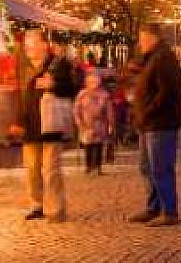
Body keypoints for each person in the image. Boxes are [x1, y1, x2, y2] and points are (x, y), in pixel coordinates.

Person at [17, 29, 78, 223]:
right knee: (32, 169)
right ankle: (37, 205)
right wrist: (18, 121)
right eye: (26, 43)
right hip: (31, 125)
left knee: (51, 170)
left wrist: (54, 86)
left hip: (50, 124)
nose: (28, 47)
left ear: (44, 44)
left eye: (32, 42)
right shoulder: (24, 66)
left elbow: (72, 88)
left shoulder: (58, 64)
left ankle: (56, 209)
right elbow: (21, 95)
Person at [128, 23, 181, 226]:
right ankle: (154, 207)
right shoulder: (152, 58)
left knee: (161, 168)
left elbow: (168, 91)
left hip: (161, 123)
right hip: (148, 123)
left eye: (142, 39)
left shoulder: (164, 58)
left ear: (152, 37)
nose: (139, 43)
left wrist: (149, 110)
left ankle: (169, 211)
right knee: (147, 167)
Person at [74, 68, 114, 175]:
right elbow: (77, 110)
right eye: (91, 81)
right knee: (88, 146)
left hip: (100, 124)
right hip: (86, 124)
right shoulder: (82, 94)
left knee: (98, 146)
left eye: (96, 80)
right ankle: (88, 166)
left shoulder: (104, 95)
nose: (94, 83)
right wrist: (79, 122)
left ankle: (97, 167)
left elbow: (109, 110)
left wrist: (111, 123)